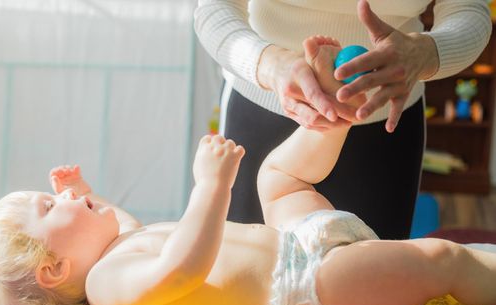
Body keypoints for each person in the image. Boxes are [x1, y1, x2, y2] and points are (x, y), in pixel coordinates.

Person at [0, 39, 496, 305]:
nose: (61, 196)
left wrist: (84, 192)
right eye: (49, 206)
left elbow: (121, 219)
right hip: (311, 290)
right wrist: (212, 186)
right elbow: (180, 267)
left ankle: (332, 116)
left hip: (297, 238)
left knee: (278, 177)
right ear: (54, 269)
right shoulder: (107, 286)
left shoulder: (117, 245)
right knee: (438, 259)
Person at [194, 0, 492, 239]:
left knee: (373, 297)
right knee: (245, 285)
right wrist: (272, 64)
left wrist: (425, 53)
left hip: (384, 123)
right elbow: (213, 9)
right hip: (264, 107)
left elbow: (468, 11)